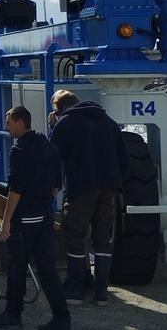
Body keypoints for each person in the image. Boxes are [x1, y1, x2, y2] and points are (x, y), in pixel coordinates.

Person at [0, 107, 70, 330]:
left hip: (26, 216)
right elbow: (56, 185)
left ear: (20, 122)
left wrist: (6, 221)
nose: (5, 127)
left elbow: (16, 190)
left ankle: (13, 314)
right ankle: (62, 317)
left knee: (17, 267)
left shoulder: (19, 150)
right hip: (45, 214)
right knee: (47, 268)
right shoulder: (48, 146)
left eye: (9, 122)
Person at [47, 89, 128, 304]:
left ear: (59, 109)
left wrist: (53, 127)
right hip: (109, 188)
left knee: (75, 237)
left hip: (81, 188)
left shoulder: (65, 123)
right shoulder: (109, 122)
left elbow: (53, 158)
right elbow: (124, 159)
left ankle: (75, 290)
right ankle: (101, 292)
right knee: (102, 239)